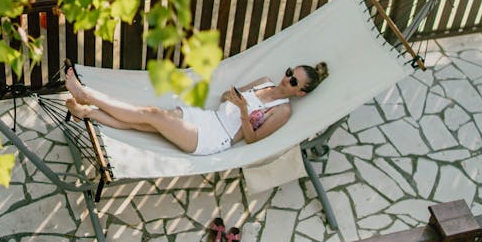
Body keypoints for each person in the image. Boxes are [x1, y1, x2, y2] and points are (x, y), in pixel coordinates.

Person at [64, 61, 329, 156]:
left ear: (300, 92)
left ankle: (87, 95)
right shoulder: (263, 82)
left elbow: (251, 139)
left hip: (214, 137)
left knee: (151, 115)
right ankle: (86, 112)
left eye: (293, 81)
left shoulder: (283, 112)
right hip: (207, 118)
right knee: (142, 123)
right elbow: (228, 95)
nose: (286, 80)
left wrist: (245, 112)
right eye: (288, 73)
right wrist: (233, 99)